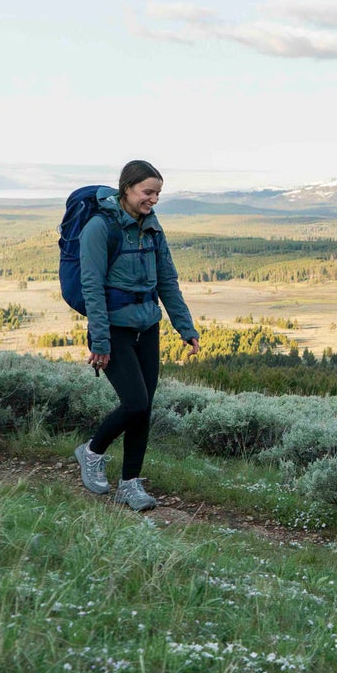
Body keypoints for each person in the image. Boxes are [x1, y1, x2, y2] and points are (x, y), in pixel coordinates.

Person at [72, 161, 200, 511]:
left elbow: (168, 282)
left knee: (144, 410)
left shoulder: (153, 229)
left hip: (148, 327)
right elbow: (92, 287)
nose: (154, 199)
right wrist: (100, 341)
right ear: (126, 188)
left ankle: (130, 484)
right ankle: (92, 451)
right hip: (114, 329)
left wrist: (185, 328)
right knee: (136, 403)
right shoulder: (101, 228)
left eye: (158, 193)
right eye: (148, 192)